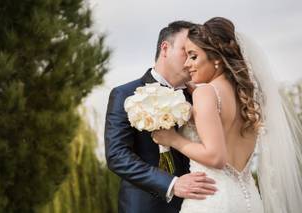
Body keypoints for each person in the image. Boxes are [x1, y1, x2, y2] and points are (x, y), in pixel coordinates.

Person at [152, 17, 302, 213]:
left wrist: (172, 139)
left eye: (193, 56)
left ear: (216, 58)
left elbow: (216, 157)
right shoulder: (249, 97)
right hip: (249, 200)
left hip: (212, 201)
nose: (187, 64)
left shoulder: (206, 93)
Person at [104, 21, 217, 213]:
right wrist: (172, 183)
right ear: (165, 48)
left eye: (195, 53)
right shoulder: (125, 94)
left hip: (201, 203)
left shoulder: (203, 98)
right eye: (186, 51)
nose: (192, 60)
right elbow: (117, 156)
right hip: (144, 206)